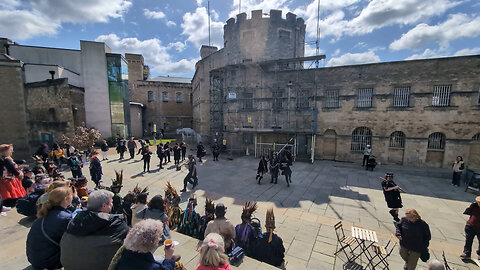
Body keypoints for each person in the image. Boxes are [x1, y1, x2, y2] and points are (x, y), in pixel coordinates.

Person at [60, 189, 130, 270]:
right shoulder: (117, 225)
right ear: (104, 206)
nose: (112, 204)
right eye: (111, 202)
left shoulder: (73, 221)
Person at [26, 187, 73, 269]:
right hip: (49, 263)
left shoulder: (45, 214)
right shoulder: (65, 218)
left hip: (35, 259)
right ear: (66, 199)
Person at [110, 219, 177, 270]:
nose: (159, 239)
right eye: (158, 237)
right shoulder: (151, 267)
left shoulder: (127, 250)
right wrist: (168, 257)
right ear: (150, 243)